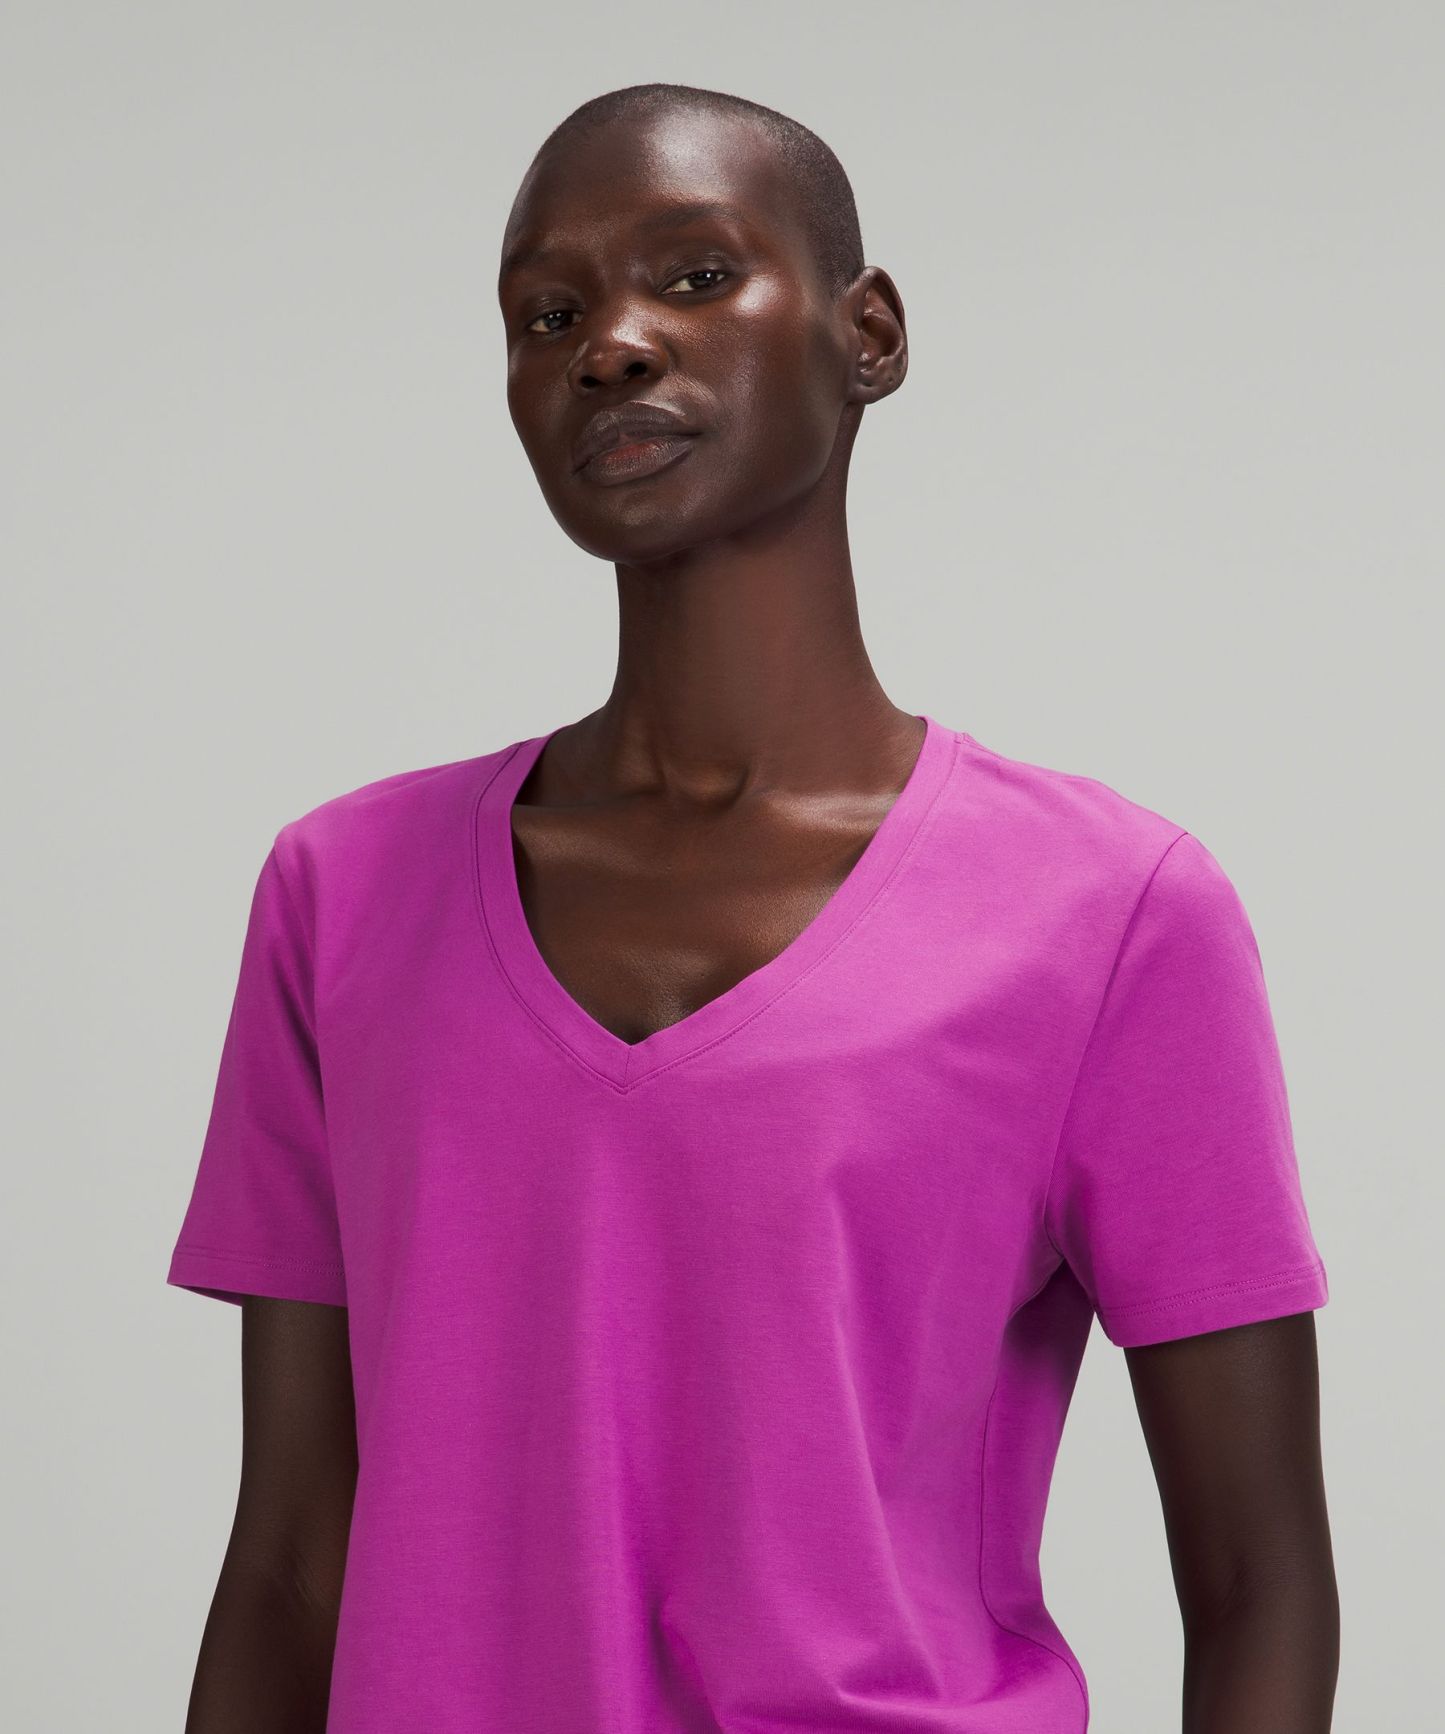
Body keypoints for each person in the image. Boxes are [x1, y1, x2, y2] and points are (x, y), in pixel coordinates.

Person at [166, 82, 1337, 1733]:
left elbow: (1257, 1578)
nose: (609, 346)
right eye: (546, 314)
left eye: (696, 275)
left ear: (869, 332)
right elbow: (289, 1564)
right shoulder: (342, 897)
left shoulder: (1109, 916)